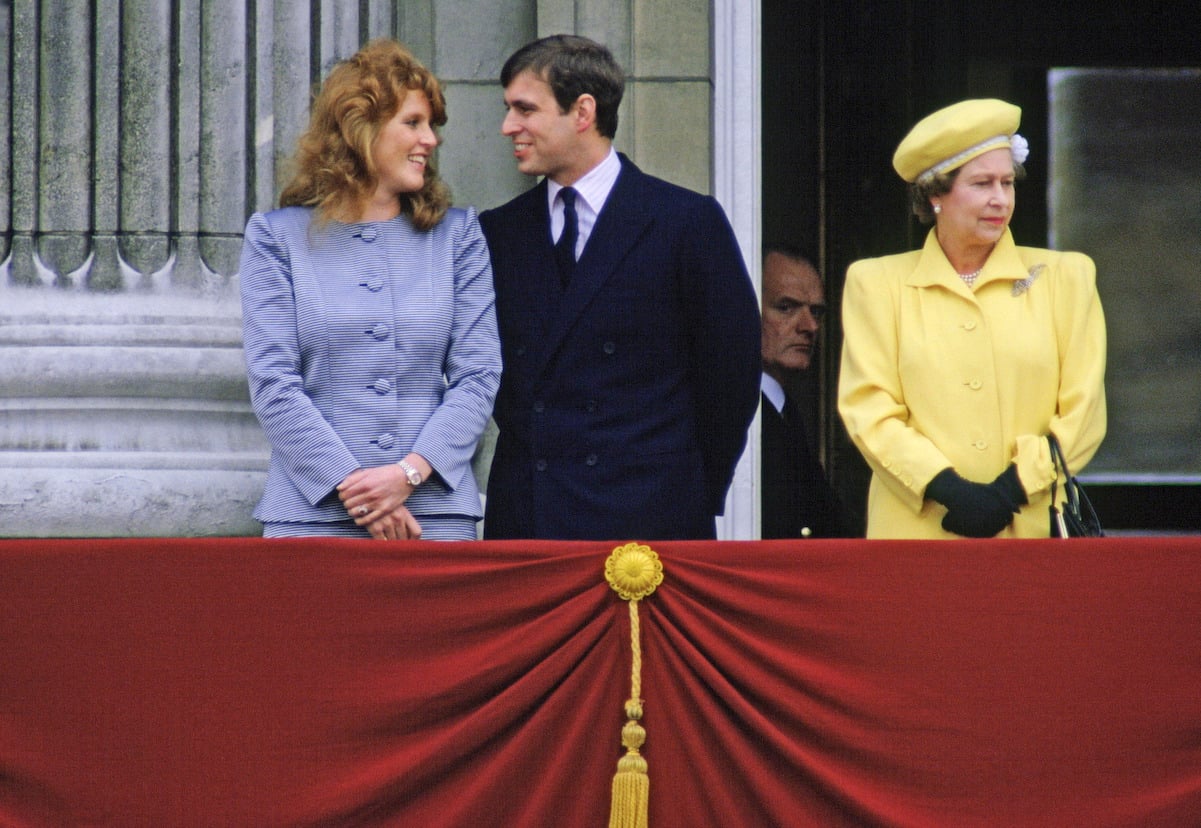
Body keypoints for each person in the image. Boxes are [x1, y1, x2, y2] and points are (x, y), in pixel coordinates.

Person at [479, 34, 760, 540]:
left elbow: (731, 379)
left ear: (582, 112)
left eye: (525, 109)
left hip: (648, 520)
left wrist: (689, 489)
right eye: (508, 109)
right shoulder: (498, 231)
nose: (508, 127)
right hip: (529, 522)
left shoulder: (685, 221)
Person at [239, 39, 501, 541]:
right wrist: (361, 492)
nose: (430, 139)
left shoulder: (458, 236)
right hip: (313, 519)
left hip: (434, 518)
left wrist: (407, 475)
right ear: (361, 127)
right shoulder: (277, 238)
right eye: (413, 122)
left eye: (432, 125)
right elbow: (273, 383)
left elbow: (479, 375)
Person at [838, 98, 1106, 539]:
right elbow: (869, 409)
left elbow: (1084, 412)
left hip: (1033, 532)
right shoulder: (877, 283)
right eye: (982, 184)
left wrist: (1012, 490)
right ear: (934, 194)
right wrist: (946, 488)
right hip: (917, 536)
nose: (1000, 199)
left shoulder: (1066, 277)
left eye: (1007, 182)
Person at [760, 245, 857, 538]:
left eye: (816, 312)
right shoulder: (729, 411)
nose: (810, 326)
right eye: (786, 307)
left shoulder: (784, 409)